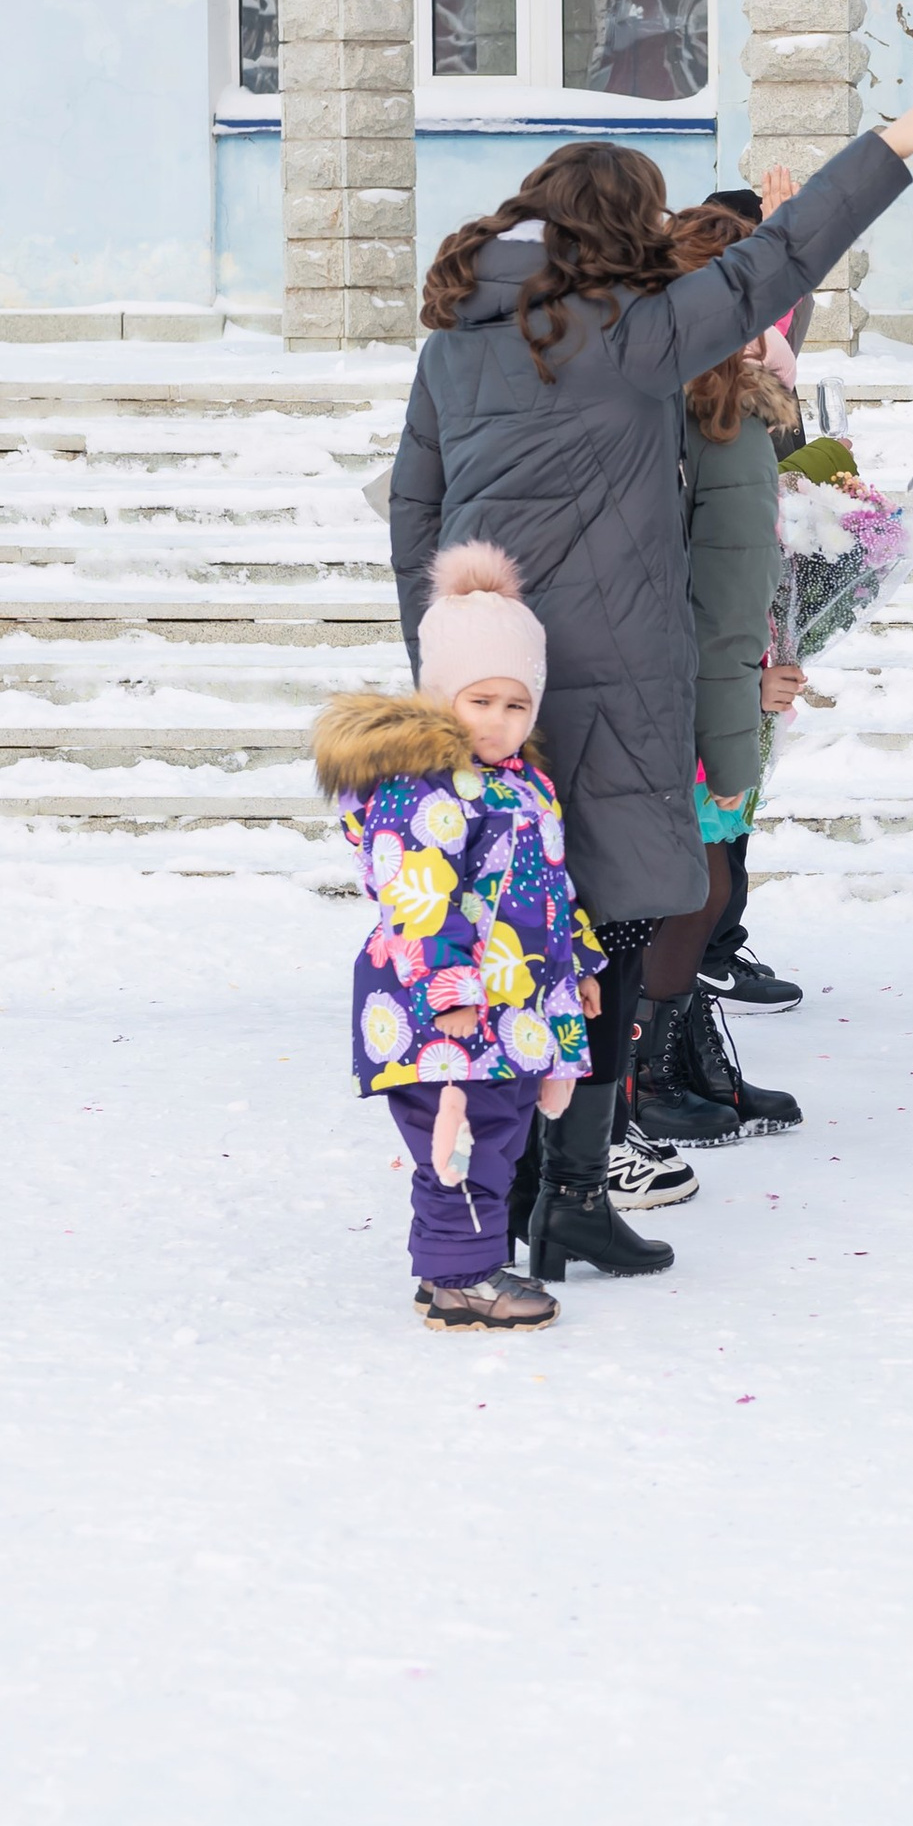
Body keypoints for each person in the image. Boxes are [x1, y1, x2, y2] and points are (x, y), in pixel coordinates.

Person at [391, 82, 913, 1281]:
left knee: (503, 935)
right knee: (608, 935)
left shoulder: (455, 338)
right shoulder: (636, 329)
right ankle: (567, 1199)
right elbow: (783, 258)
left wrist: (448, 650)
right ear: (621, 228)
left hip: (488, 687)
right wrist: (897, 140)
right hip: (615, 681)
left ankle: (503, 1205)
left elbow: (414, 503)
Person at [314, 544, 599, 1334]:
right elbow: (418, 897)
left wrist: (581, 965)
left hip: (511, 1004)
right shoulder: (421, 788)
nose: (500, 721)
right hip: (445, 1009)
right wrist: (451, 992)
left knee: (493, 1135)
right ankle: (461, 1282)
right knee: (463, 1140)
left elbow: (547, 883)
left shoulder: (519, 781)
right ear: (442, 696)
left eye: (517, 704)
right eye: (481, 701)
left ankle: (449, 1266)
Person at [627, 199, 808, 1158]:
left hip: (712, 670)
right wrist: (735, 692)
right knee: (693, 877)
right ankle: (649, 1067)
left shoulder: (716, 390)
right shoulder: (700, 401)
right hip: (687, 681)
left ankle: (688, 1045)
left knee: (716, 868)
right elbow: (709, 571)